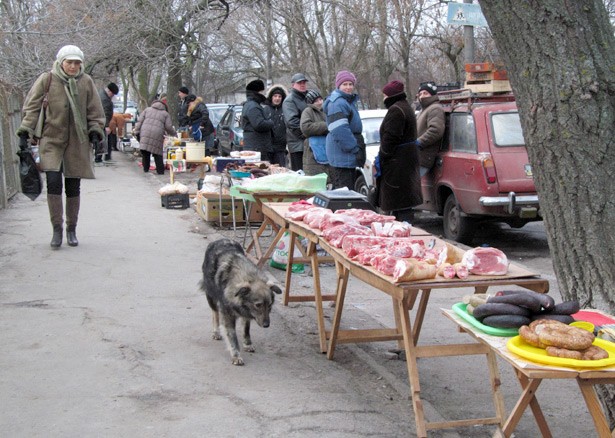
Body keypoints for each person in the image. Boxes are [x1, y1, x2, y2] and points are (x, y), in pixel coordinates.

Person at [16, 44, 105, 248]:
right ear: (61, 62)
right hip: (51, 139)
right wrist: (24, 132)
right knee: (54, 182)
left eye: (77, 63)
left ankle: (71, 229)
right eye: (69, 62)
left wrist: (94, 131)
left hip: (77, 142)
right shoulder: (47, 79)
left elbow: (95, 111)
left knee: (73, 186)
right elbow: (32, 107)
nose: (73, 66)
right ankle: (56, 229)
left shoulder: (86, 82)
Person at [376, 80, 422, 222]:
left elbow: (390, 138)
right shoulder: (405, 107)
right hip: (405, 160)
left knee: (400, 202)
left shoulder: (396, 110)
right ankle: (400, 229)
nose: (383, 98)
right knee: (402, 202)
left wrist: (383, 155)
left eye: (384, 95)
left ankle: (403, 231)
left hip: (398, 163)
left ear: (390, 95)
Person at [323, 70, 365, 190]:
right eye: (345, 84)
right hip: (341, 156)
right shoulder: (338, 103)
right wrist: (355, 148)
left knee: (347, 193)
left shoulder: (347, 102)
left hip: (345, 156)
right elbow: (339, 130)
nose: (348, 87)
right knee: (344, 194)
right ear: (338, 85)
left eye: (350, 84)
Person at [133, 99, 176, 175]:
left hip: (145, 132)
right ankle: (160, 171)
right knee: (157, 153)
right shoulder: (165, 114)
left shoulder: (147, 110)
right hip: (157, 133)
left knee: (145, 152)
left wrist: (136, 131)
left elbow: (140, 121)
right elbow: (168, 127)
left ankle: (146, 169)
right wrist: (174, 134)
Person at [415, 82, 445, 176]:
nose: (422, 96)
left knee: (408, 187)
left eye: (425, 93)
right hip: (417, 156)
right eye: (420, 94)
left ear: (432, 94)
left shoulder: (435, 109)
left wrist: (418, 142)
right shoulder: (423, 110)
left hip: (424, 157)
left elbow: (436, 130)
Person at [300, 89, 329, 180]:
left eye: (320, 99)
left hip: (327, 148)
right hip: (313, 151)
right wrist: (326, 126)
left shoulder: (326, 110)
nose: (320, 102)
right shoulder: (307, 111)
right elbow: (305, 128)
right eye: (316, 101)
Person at [282, 73, 309, 171]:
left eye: (304, 82)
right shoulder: (289, 101)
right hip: (298, 145)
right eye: (299, 83)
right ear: (293, 85)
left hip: (308, 143)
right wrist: (308, 134)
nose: (302, 85)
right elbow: (292, 123)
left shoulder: (307, 97)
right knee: (299, 173)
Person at [241, 79, 273, 153]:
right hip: (257, 147)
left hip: (254, 145)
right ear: (258, 92)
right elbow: (259, 124)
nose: (264, 94)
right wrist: (270, 122)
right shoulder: (253, 106)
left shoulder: (250, 105)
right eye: (262, 91)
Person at [264, 84, 288, 166]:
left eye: (279, 96)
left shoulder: (285, 110)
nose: (277, 98)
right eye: (275, 96)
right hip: (268, 147)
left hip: (281, 148)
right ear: (271, 97)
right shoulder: (266, 109)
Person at [95, 82, 119, 164]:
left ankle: (106, 157)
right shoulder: (104, 99)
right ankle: (98, 158)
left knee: (105, 140)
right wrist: (106, 126)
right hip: (102, 123)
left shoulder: (102, 95)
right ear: (109, 91)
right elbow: (104, 113)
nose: (112, 97)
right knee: (102, 140)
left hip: (101, 122)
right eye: (112, 95)